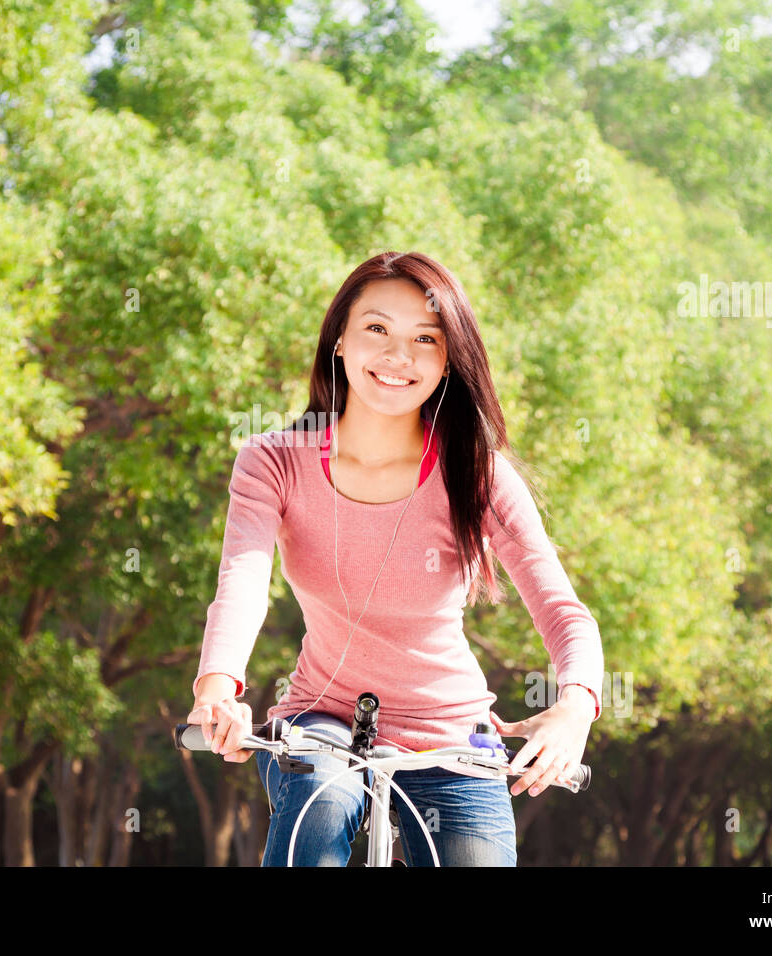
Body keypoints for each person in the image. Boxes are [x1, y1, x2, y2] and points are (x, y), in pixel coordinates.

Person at [187, 250, 604, 866]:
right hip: (323, 719)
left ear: (447, 359)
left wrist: (574, 709)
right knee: (319, 808)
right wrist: (216, 689)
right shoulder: (272, 461)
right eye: (376, 329)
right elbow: (242, 584)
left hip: (450, 735)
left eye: (425, 338)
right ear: (339, 341)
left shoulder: (478, 474)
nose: (397, 356)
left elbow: (564, 613)